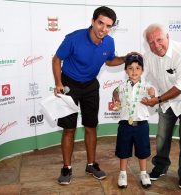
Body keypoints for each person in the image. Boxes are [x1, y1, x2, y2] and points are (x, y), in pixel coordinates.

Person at [52, 6, 127, 185]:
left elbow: (109, 60)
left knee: (91, 126)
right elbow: (56, 59)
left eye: (108, 26)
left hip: (90, 85)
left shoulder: (109, 42)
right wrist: (58, 83)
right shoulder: (74, 38)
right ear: (93, 21)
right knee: (69, 129)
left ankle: (91, 165)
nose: (103, 29)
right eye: (100, 23)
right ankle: (66, 167)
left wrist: (125, 58)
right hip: (69, 84)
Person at [140, 24, 181, 189]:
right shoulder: (148, 56)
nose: (156, 45)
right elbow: (142, 77)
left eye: (159, 39)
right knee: (161, 136)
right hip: (166, 99)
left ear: (167, 37)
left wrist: (158, 99)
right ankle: (160, 166)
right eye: (151, 42)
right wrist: (147, 89)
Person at [113, 54, 155, 188]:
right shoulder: (121, 86)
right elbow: (115, 92)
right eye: (130, 68)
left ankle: (143, 173)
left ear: (142, 70)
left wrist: (152, 94)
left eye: (138, 68)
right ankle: (123, 173)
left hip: (141, 125)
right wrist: (116, 98)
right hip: (125, 124)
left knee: (142, 151)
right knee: (123, 150)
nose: (134, 71)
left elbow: (152, 95)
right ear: (126, 70)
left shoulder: (146, 86)